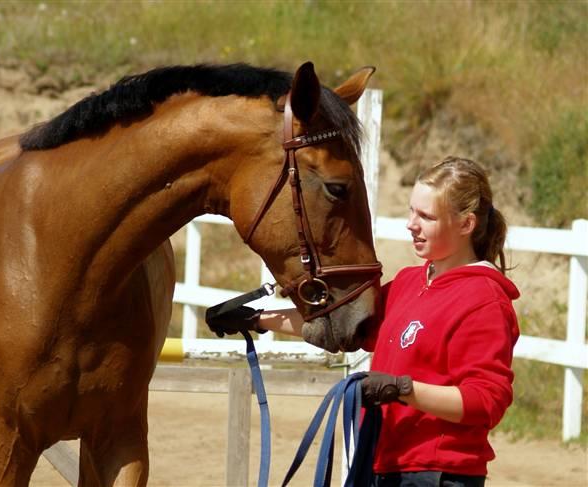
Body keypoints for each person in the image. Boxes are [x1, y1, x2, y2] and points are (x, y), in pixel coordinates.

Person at [207, 157, 520, 487]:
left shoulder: (484, 300)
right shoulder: (409, 283)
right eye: (412, 211)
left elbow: (486, 402)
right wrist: (258, 319)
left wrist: (403, 390)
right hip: (384, 463)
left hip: (437, 473)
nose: (411, 224)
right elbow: (345, 326)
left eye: (426, 216)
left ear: (466, 224)